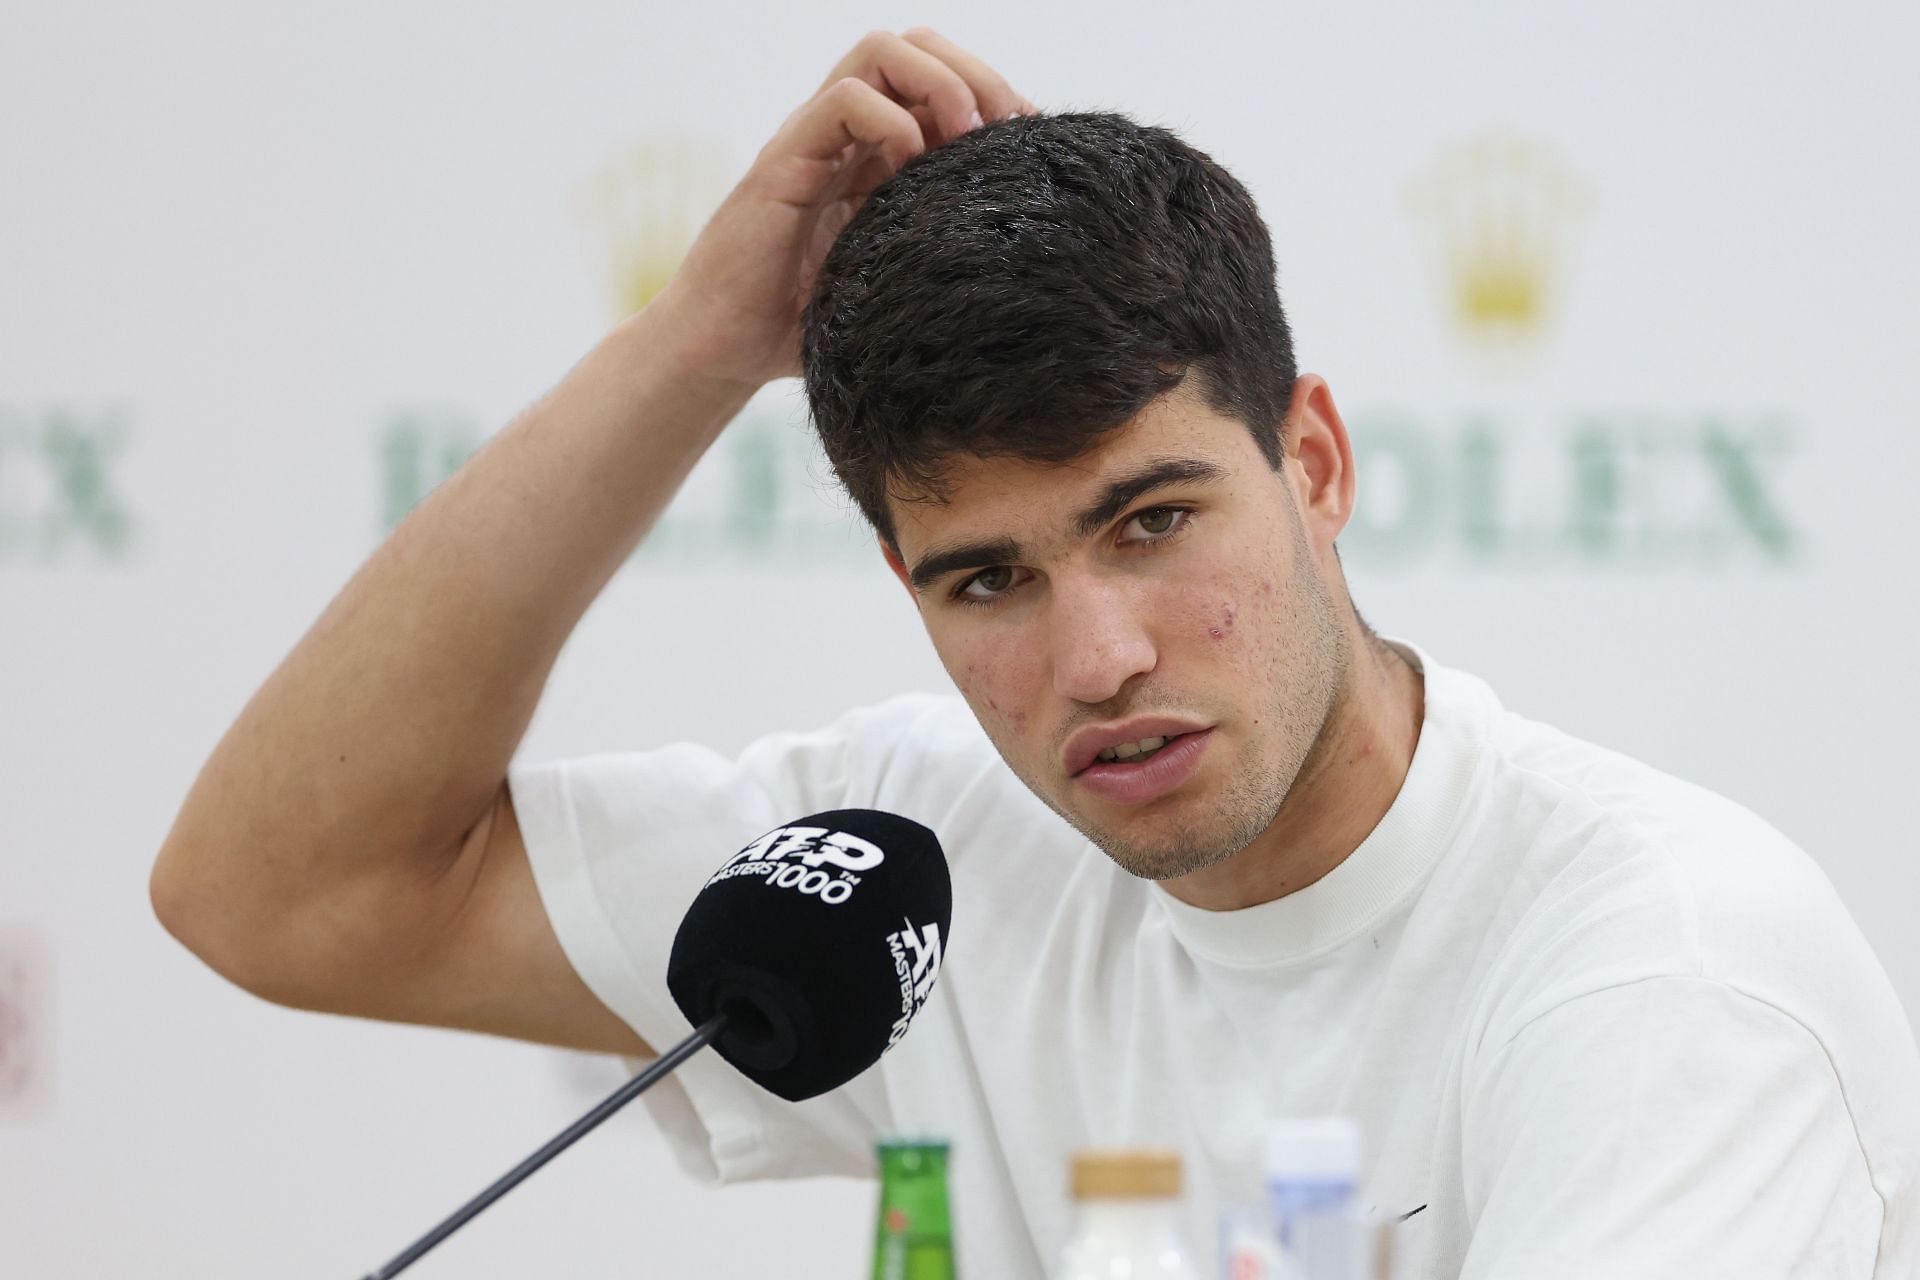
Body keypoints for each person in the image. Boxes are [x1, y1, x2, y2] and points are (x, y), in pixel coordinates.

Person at [149, 27, 1919, 1279]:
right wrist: (692, 348)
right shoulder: (910, 876)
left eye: (1154, 522)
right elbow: (286, 892)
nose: (1100, 658)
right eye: (987, 581)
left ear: (1314, 462)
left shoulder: (1668, 979)